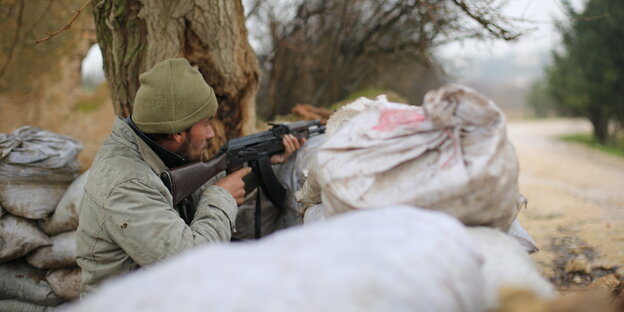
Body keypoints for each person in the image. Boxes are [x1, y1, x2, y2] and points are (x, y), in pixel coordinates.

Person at [76, 58, 302, 294]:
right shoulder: (127, 184)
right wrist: (221, 197)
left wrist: (262, 163)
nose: (211, 133)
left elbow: (201, 190)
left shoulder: (155, 153)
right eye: (205, 124)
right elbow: (192, 264)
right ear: (176, 134)